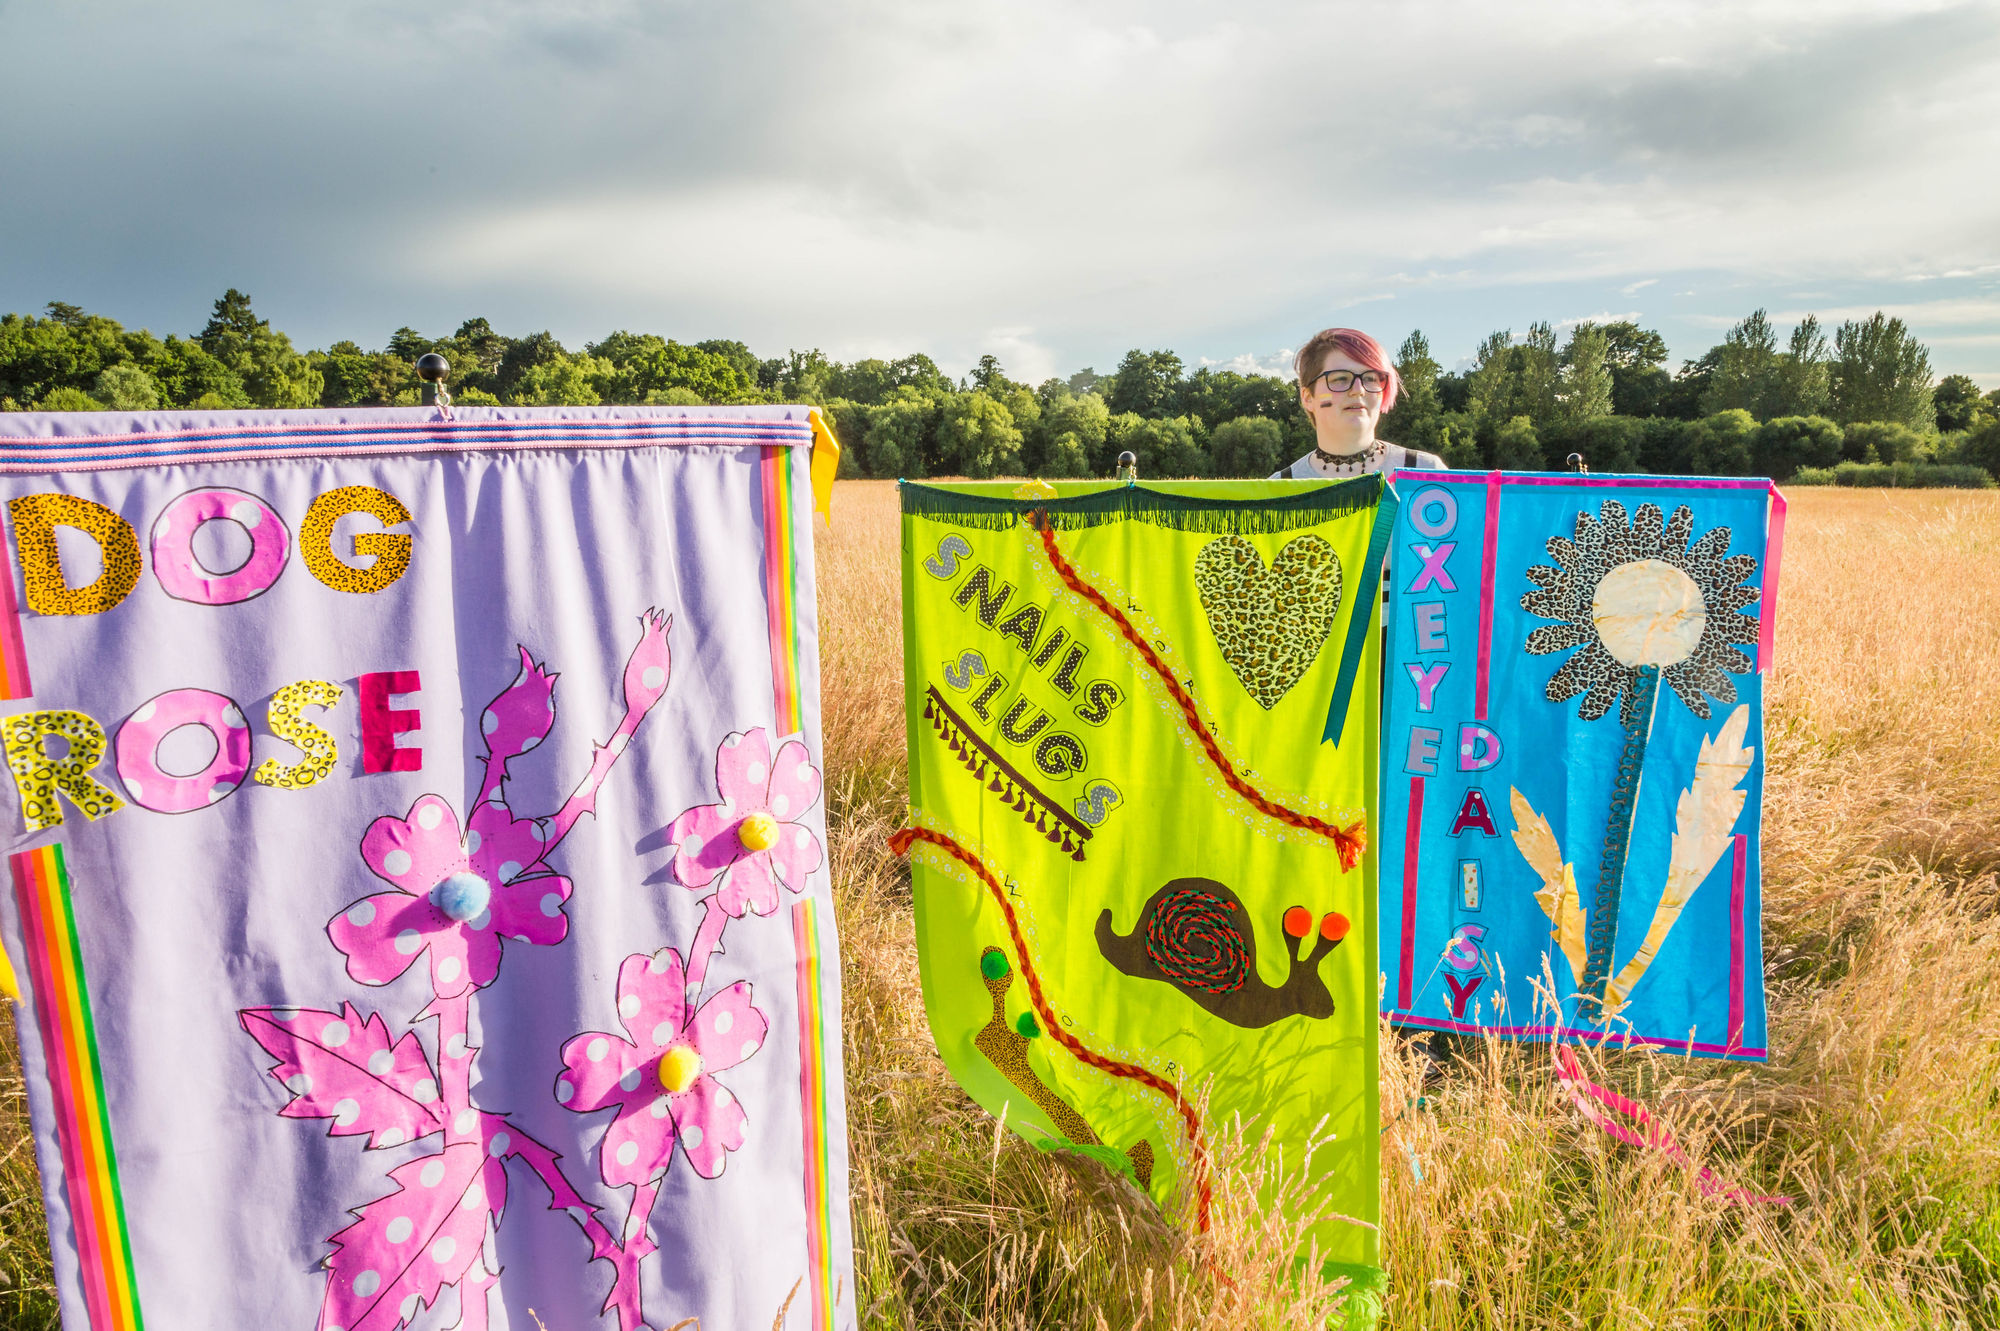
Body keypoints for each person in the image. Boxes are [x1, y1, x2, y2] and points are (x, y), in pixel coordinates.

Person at [1272, 327, 1445, 479]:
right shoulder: (1275, 491)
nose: (1359, 389)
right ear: (1308, 397)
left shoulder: (1427, 473)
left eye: (1370, 378)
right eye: (1340, 378)